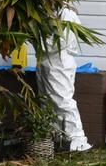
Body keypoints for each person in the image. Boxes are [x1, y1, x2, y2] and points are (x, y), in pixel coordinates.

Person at [36, 8, 92, 152]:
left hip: (59, 61)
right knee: (46, 100)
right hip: (46, 60)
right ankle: (55, 139)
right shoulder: (48, 11)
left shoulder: (67, 15)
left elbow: (59, 43)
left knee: (62, 100)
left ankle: (77, 141)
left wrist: (36, 36)